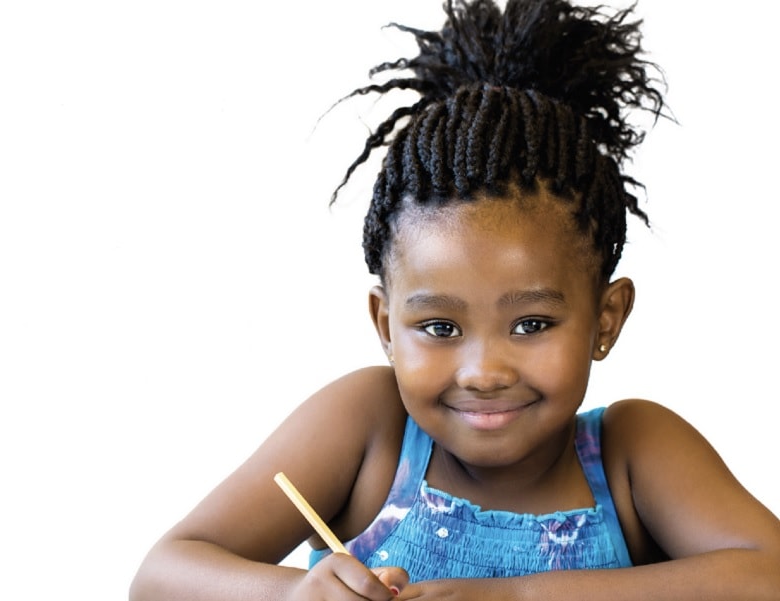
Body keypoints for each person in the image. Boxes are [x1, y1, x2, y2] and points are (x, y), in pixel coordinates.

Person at [130, 0, 780, 599]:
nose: (484, 370)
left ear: (606, 319)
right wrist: (291, 594)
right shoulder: (372, 429)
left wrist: (518, 597)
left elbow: (767, 574)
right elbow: (161, 575)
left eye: (531, 322)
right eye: (440, 326)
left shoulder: (633, 453)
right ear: (387, 324)